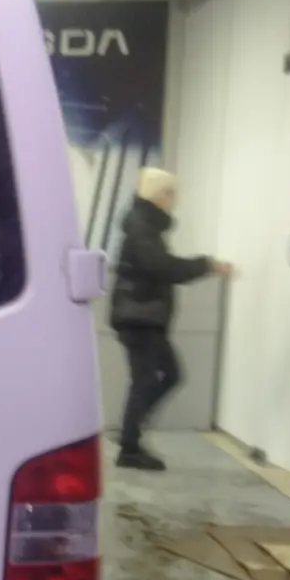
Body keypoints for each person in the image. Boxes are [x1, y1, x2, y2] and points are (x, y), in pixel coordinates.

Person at [108, 168, 234, 471]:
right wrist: (206, 265)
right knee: (149, 379)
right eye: (172, 193)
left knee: (167, 375)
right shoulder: (142, 227)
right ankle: (129, 446)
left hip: (143, 316)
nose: (175, 200)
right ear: (159, 195)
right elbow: (162, 267)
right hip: (139, 317)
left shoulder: (145, 226)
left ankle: (129, 433)